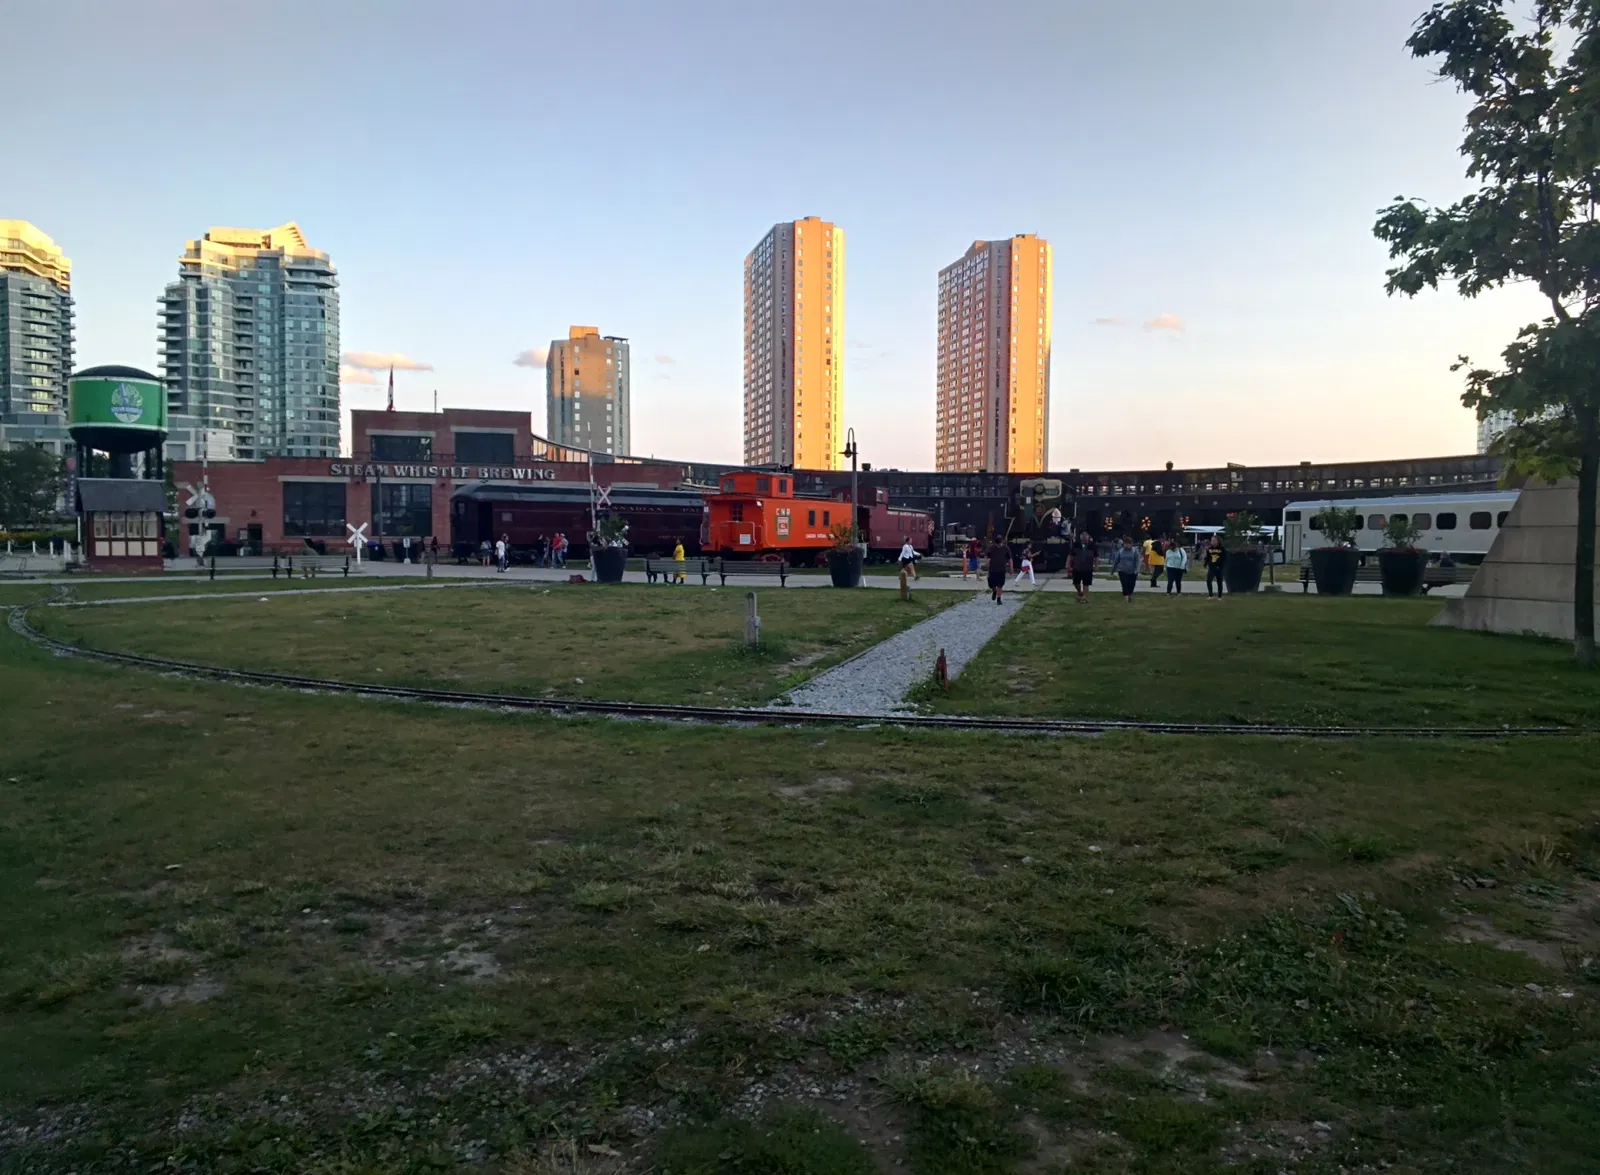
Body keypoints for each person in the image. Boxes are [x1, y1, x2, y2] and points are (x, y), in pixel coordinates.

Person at [1068, 531, 1097, 603]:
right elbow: (1071, 556)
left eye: (1086, 540)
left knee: (1086, 583)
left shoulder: (1092, 546)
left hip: (1088, 568)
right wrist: (1068, 564)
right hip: (1077, 567)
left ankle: (1084, 597)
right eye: (1084, 540)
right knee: (1076, 583)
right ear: (1081, 540)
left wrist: (1096, 565)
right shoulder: (1076, 545)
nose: (1085, 542)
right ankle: (1079, 591)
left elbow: (1096, 556)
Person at [1111, 536, 1141, 602]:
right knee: (1125, 584)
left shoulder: (1134, 551)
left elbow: (1138, 561)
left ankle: (1129, 595)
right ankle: (1126, 600)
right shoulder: (1121, 551)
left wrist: (1137, 570)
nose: (1127, 545)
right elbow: (1116, 561)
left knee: (1131, 585)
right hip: (1122, 570)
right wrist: (1112, 570)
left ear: (1131, 544)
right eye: (1125, 543)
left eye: (1129, 543)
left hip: (1132, 571)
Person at [986, 538, 1012, 605]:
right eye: (997, 544)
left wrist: (1011, 568)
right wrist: (987, 563)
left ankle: (999, 599)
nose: (999, 546)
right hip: (992, 569)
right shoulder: (991, 548)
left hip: (1001, 569)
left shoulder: (1006, 549)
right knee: (992, 584)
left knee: (1000, 585)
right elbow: (988, 557)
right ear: (995, 543)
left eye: (1000, 544)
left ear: (1001, 542)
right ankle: (994, 591)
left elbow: (1010, 559)